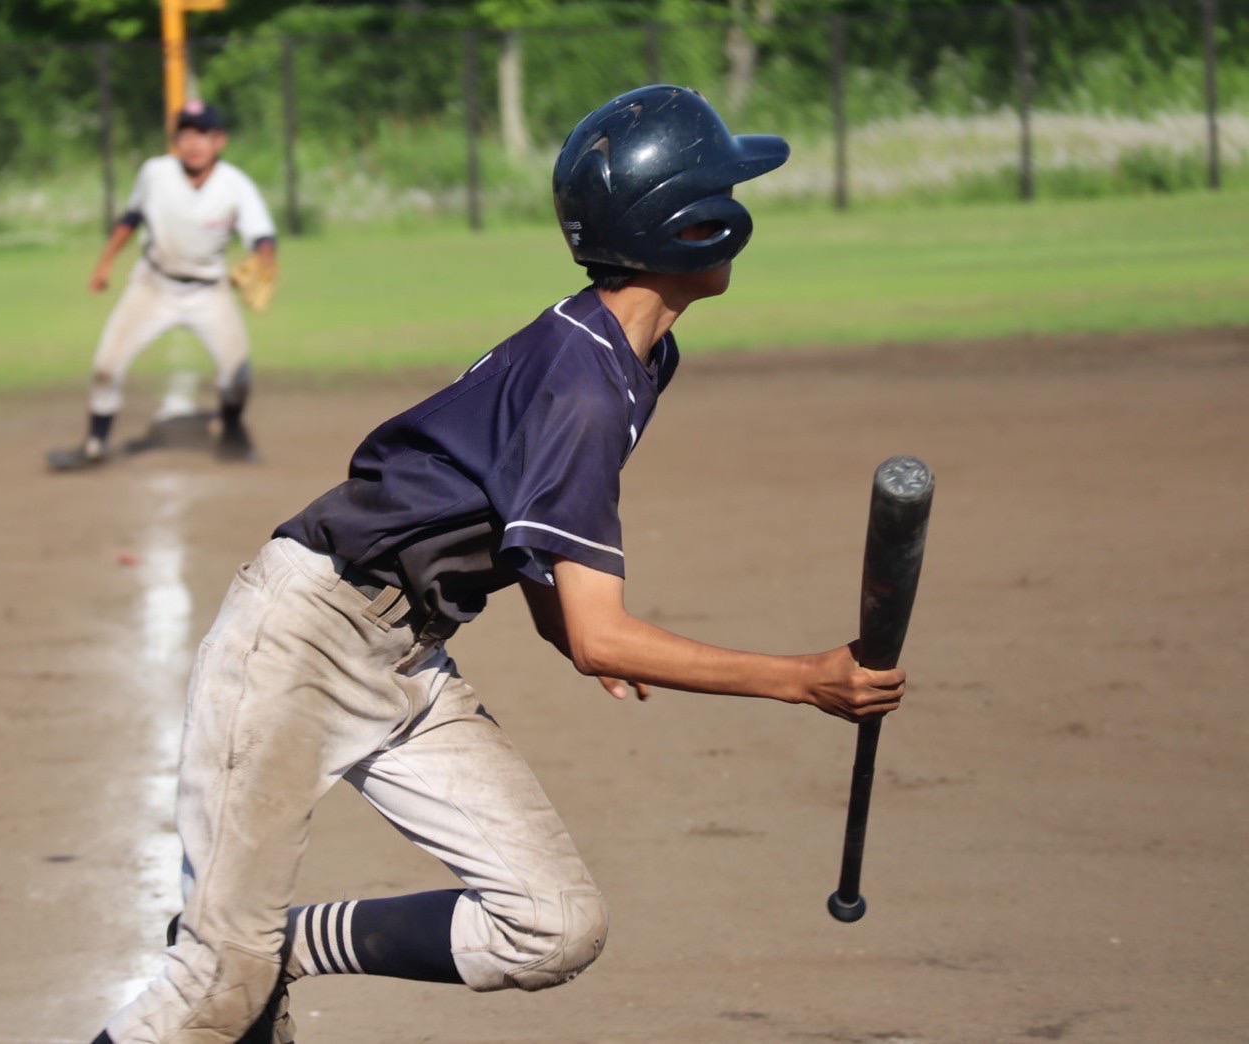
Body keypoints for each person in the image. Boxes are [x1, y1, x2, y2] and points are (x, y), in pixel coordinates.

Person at [87, 85, 907, 1044]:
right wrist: (805, 681)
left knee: (551, 925)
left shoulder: (635, 355)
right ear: (689, 227)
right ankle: (236, 956)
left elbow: (532, 542)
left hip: (405, 658)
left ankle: (281, 948)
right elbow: (603, 636)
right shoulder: (585, 383)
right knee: (211, 994)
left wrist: (578, 633)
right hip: (300, 642)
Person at [50, 100, 277, 470]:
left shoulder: (234, 185)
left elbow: (262, 234)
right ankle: (94, 444)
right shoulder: (155, 173)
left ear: (219, 140)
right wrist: (105, 262)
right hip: (153, 286)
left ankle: (232, 433)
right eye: (185, 133)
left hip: (209, 291)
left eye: (202, 134)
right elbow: (131, 217)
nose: (193, 143)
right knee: (106, 365)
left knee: (239, 376)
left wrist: (266, 258)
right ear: (175, 140)